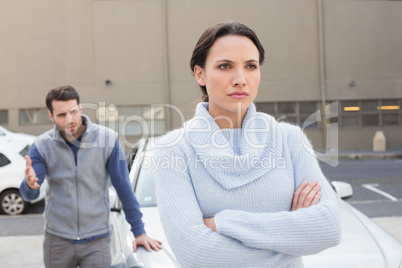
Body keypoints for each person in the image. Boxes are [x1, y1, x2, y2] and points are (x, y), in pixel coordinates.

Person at [154, 21, 341, 267]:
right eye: (225, 66)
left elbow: (328, 227)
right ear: (200, 74)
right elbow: (194, 253)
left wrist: (223, 223)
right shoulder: (174, 149)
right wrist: (290, 233)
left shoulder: (289, 139)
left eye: (250, 66)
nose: (241, 79)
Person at [20, 86, 162, 268]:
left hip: (97, 240)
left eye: (73, 112)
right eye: (62, 115)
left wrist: (139, 232)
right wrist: (30, 185)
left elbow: (124, 189)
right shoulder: (41, 146)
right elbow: (29, 193)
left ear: (80, 108)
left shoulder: (108, 140)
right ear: (51, 116)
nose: (69, 120)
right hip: (58, 240)